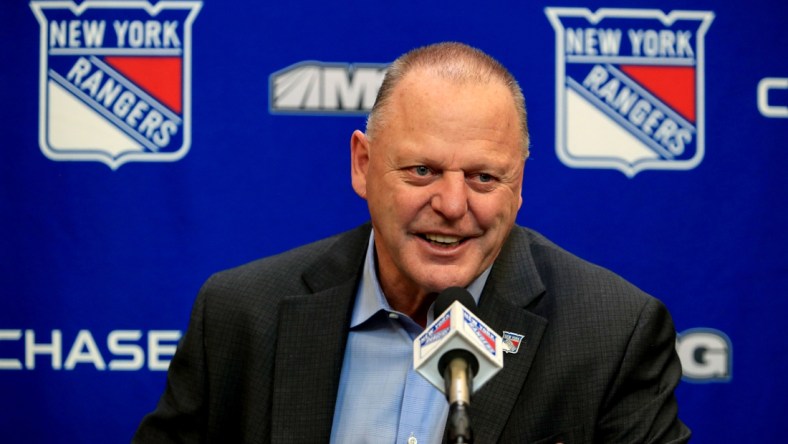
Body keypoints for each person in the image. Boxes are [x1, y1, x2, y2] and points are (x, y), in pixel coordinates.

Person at [134, 42, 690, 443]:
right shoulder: (240, 315)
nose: (452, 204)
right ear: (363, 165)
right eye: (423, 170)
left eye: (483, 177)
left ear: (518, 186)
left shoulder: (613, 334)